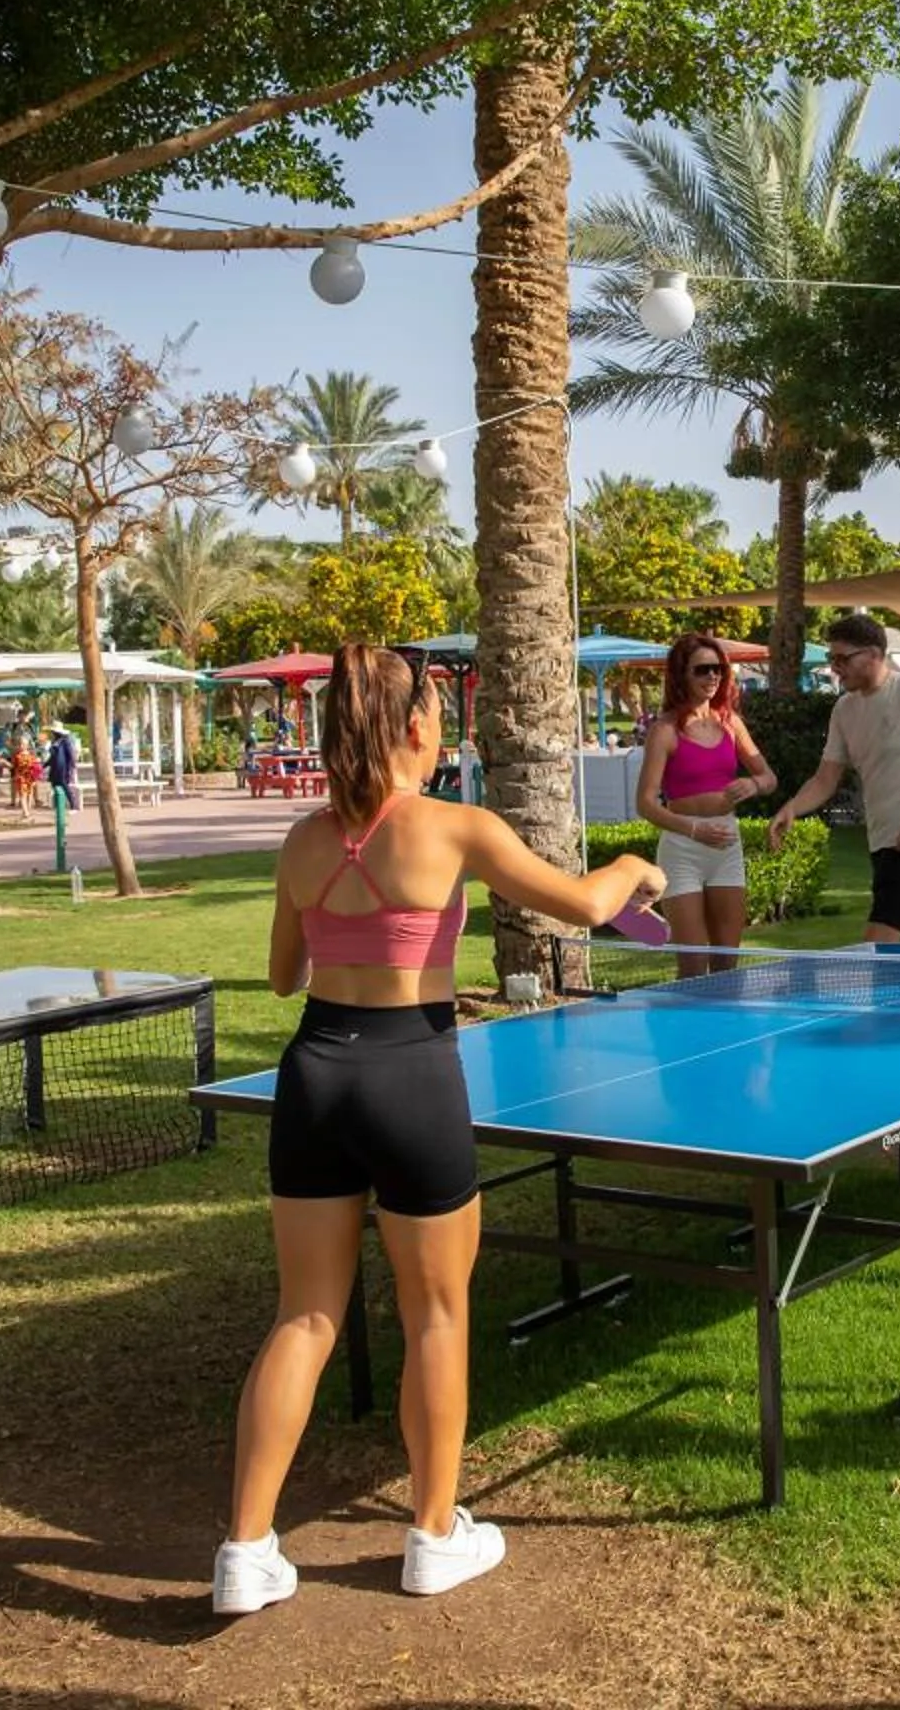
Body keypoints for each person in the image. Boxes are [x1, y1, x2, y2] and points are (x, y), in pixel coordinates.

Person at [216, 645, 666, 1617]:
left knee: (304, 1315)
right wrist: (635, 862)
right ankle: (431, 1534)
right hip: (411, 1071)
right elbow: (585, 905)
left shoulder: (302, 838)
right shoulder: (457, 826)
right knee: (436, 1314)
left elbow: (283, 975)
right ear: (418, 725)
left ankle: (246, 1550)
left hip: (316, 1072)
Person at [768, 613, 900, 945]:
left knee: (878, 945)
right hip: (883, 841)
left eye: (843, 658)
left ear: (874, 654)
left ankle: (877, 999)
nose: (835, 667)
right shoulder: (844, 709)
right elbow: (825, 778)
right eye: (831, 658)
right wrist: (792, 808)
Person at [634, 632, 778, 977]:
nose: (712, 676)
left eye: (717, 670)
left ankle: (730, 1028)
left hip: (726, 844)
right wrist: (695, 829)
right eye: (702, 670)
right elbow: (645, 803)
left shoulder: (730, 724)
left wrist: (754, 784)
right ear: (682, 674)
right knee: (694, 963)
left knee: (728, 962)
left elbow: (770, 778)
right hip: (683, 848)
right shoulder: (665, 730)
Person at [9, 729, 45, 819]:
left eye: (22, 744)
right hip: (29, 777)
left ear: (26, 745)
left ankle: (26, 812)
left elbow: (13, 766)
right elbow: (36, 765)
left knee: (23, 795)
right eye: (20, 744)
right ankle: (26, 811)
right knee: (28, 795)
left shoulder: (17, 756)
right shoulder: (31, 755)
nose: (20, 746)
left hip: (22, 778)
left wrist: (3, 763)